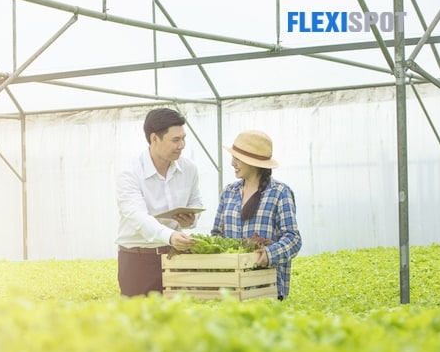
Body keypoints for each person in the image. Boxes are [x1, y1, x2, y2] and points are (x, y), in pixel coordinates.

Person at [116, 108, 204, 296]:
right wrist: (170, 235)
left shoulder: (189, 168)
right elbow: (137, 216)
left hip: (176, 257)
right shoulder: (129, 171)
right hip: (138, 261)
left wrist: (190, 220)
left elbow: (195, 200)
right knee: (139, 322)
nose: (182, 145)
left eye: (183, 138)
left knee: (179, 321)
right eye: (176, 140)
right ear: (154, 138)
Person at [211, 130, 302, 299]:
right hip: (231, 288)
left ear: (252, 162)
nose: (232, 163)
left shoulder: (279, 192)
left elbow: (293, 239)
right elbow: (217, 234)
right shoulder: (229, 192)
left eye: (237, 158)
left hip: (267, 287)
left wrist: (269, 254)